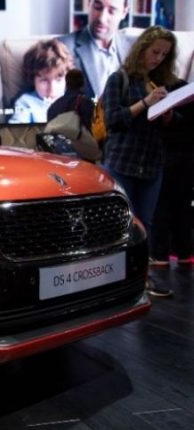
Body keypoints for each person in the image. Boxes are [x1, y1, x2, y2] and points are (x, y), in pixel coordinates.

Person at [100, 26, 179, 297]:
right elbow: (113, 119)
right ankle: (112, 281)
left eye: (164, 54)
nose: (158, 58)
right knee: (120, 226)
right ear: (142, 48)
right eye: (155, 51)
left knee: (145, 224)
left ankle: (141, 278)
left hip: (152, 164)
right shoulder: (119, 79)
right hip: (123, 162)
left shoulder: (160, 82)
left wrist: (169, 115)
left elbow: (173, 126)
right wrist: (146, 103)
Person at [150, 79, 194, 268]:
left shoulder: (163, 95)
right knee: (183, 207)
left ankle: (160, 254)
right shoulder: (188, 93)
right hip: (187, 159)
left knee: (161, 206)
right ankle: (184, 252)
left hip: (165, 157)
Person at [59, 0, 130, 99]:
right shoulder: (62, 47)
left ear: (124, 13)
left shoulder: (133, 46)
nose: (102, 18)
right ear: (89, 4)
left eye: (112, 11)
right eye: (97, 7)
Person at [8, 39, 73, 124]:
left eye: (58, 80)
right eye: (44, 81)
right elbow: (17, 126)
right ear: (33, 79)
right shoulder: (26, 103)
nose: (52, 90)